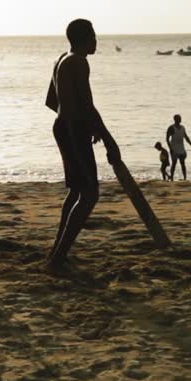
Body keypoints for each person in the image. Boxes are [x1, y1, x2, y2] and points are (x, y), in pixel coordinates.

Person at [45, 18, 121, 274]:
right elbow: (87, 104)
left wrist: (81, 122)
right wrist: (108, 138)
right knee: (89, 194)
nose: (96, 41)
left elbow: (51, 101)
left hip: (65, 126)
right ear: (85, 38)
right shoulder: (78, 61)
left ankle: (58, 251)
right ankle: (57, 258)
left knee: (77, 191)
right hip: (70, 128)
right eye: (94, 36)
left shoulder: (61, 58)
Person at [165, 114, 191, 180]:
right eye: (179, 118)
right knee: (174, 164)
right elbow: (167, 139)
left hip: (181, 148)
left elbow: (186, 137)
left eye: (180, 118)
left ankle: (185, 178)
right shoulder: (171, 128)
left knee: (183, 163)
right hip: (174, 148)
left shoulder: (183, 128)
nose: (180, 120)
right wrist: (170, 148)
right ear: (175, 120)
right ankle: (172, 178)